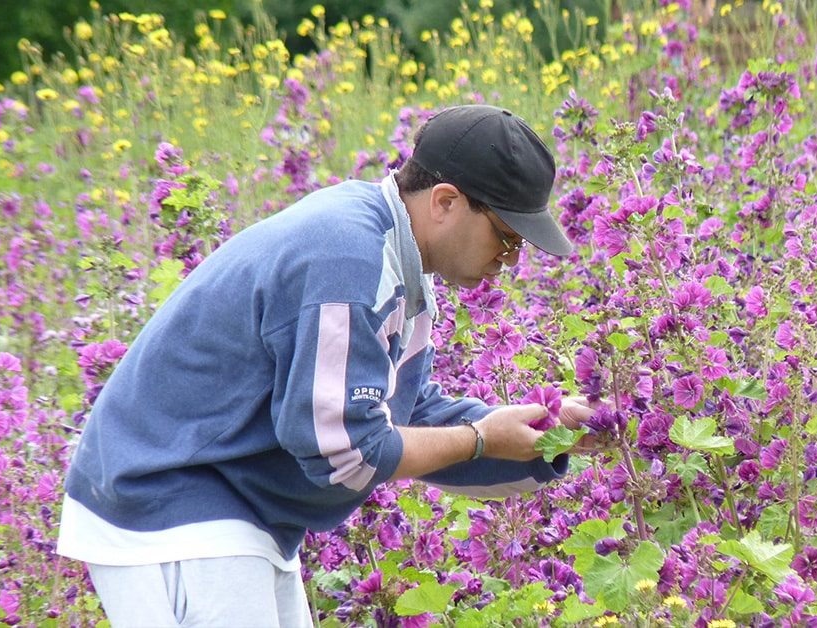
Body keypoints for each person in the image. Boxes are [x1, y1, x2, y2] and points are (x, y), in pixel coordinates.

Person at [57, 104, 592, 627]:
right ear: (446, 202)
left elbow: (408, 414)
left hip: (235, 507)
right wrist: (480, 438)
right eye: (505, 234)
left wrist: (547, 435)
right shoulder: (349, 260)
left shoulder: (396, 257)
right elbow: (348, 452)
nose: (513, 258)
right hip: (169, 502)